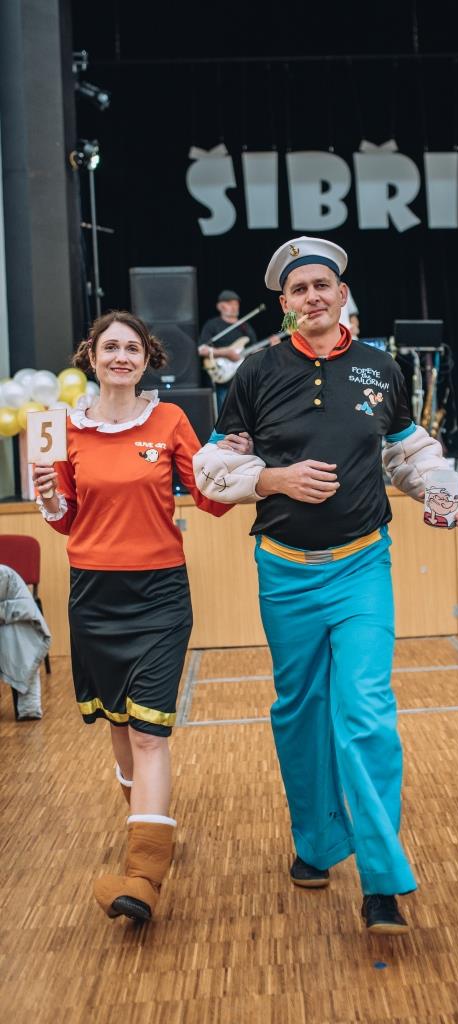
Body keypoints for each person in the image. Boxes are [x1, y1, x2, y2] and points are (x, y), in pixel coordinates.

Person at [193, 236, 458, 934]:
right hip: (283, 571)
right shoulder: (255, 372)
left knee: (367, 712)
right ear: (284, 304)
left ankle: (381, 881)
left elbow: (406, 449)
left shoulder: (381, 368)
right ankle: (315, 843)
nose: (313, 296)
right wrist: (273, 479)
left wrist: (438, 485)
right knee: (299, 712)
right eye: (299, 289)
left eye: (323, 285)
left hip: (361, 567)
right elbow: (213, 467)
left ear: (342, 294)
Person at [32, 310, 249, 924]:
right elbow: (66, 520)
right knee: (120, 725)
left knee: (150, 732)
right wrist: (47, 495)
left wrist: (233, 464)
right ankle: (145, 827)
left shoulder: (170, 419)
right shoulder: (59, 427)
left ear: (147, 358)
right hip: (93, 596)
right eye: (110, 347)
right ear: (91, 356)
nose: (121, 357)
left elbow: (208, 498)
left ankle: (144, 874)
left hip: (159, 596)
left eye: (132, 348)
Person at [197, 290, 259, 410]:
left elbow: (255, 350)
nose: (234, 307)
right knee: (224, 412)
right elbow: (202, 350)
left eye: (236, 304)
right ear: (220, 306)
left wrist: (272, 346)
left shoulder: (245, 326)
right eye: (229, 303)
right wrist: (226, 353)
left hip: (242, 379)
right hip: (222, 376)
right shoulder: (212, 325)